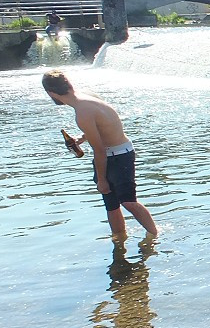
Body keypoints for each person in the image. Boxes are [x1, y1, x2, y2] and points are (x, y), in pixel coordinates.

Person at [42, 70, 158, 241]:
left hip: (119, 155)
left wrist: (102, 180)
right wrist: (82, 138)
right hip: (115, 153)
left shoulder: (82, 113)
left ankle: (154, 236)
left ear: (51, 93)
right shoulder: (86, 97)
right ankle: (119, 241)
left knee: (128, 201)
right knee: (111, 205)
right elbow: (103, 126)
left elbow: (99, 151)